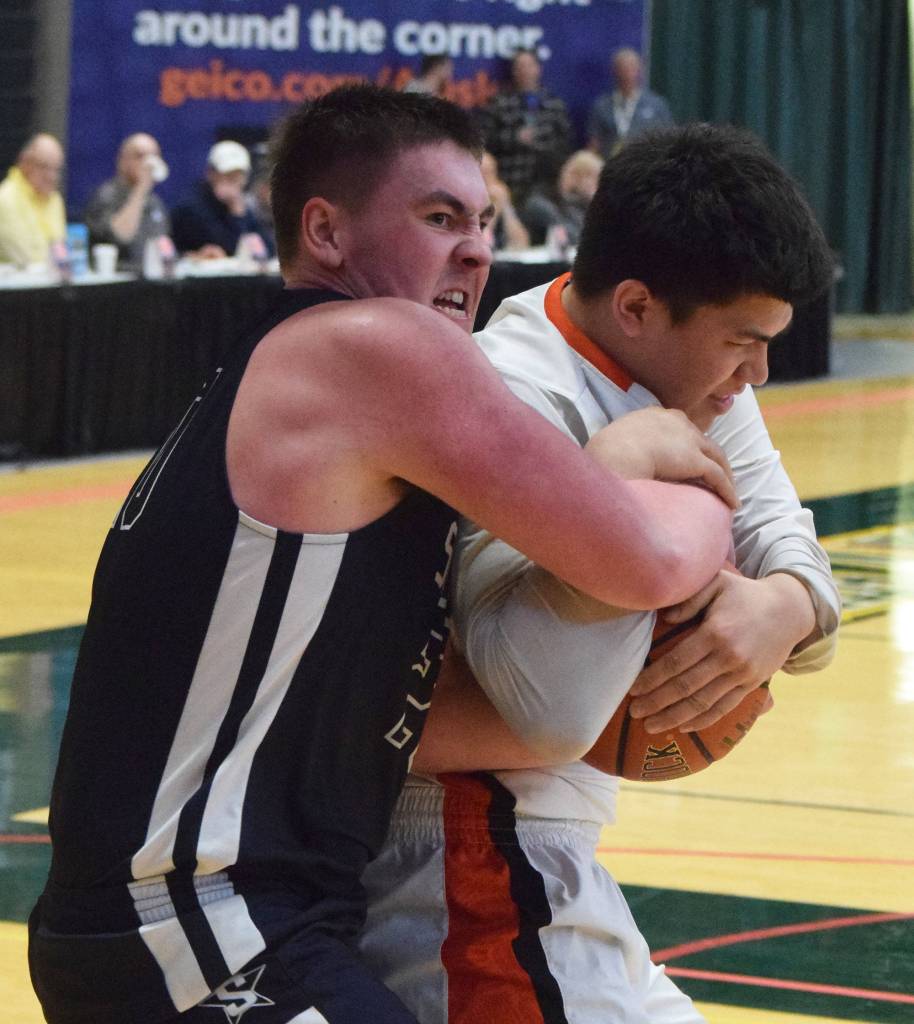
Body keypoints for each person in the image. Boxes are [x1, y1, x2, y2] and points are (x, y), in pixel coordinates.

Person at [28, 88, 740, 1024]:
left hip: (213, 928)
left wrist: (758, 628)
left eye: (483, 220)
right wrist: (674, 476)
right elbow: (643, 559)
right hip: (198, 930)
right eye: (439, 217)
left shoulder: (296, 390)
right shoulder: (375, 348)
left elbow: (479, 726)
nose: (478, 248)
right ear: (324, 231)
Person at [359, 123, 841, 1022]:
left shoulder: (689, 372)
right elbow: (551, 708)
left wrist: (785, 607)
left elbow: (790, 540)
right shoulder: (509, 395)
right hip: (468, 841)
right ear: (635, 306)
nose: (761, 374)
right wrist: (626, 507)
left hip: (547, 839)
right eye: (745, 342)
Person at [478, 49, 572, 207]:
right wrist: (514, 139)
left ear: (538, 68)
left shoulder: (554, 104)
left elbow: (566, 144)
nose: (524, 71)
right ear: (513, 71)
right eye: (519, 66)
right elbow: (484, 142)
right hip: (509, 182)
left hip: (546, 187)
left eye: (529, 65)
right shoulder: (498, 103)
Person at [83, 132, 171, 272]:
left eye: (154, 156)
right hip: (116, 285)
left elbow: (162, 245)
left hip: (150, 284)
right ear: (123, 160)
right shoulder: (105, 196)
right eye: (140, 156)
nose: (148, 163)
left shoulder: (155, 202)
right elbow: (121, 236)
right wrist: (141, 188)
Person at [171, 139, 271, 258]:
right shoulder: (191, 206)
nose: (232, 181)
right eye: (227, 174)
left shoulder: (241, 205)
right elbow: (230, 249)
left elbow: (267, 249)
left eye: (237, 175)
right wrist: (236, 213)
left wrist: (238, 213)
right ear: (210, 173)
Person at [588, 47, 673, 159]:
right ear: (615, 71)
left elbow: (668, 140)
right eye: (623, 68)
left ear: (640, 70)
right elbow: (594, 143)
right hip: (610, 164)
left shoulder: (656, 105)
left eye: (632, 68)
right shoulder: (601, 105)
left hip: (645, 166)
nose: (627, 74)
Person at [0, 132, 66, 267]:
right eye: (44, 167)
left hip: (52, 283)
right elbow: (24, 259)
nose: (51, 177)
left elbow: (61, 251)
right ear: (25, 163)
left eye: (57, 169)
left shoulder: (55, 199)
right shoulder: (5, 199)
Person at [521, 148, 603, 247]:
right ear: (579, 177)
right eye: (596, 179)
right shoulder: (540, 203)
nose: (599, 186)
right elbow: (576, 236)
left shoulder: (578, 203)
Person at [480, 151, 529, 252]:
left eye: (491, 172)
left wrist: (506, 205)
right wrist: (495, 210)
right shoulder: (466, 205)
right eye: (483, 173)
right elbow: (481, 242)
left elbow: (521, 243)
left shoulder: (497, 198)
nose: (489, 179)